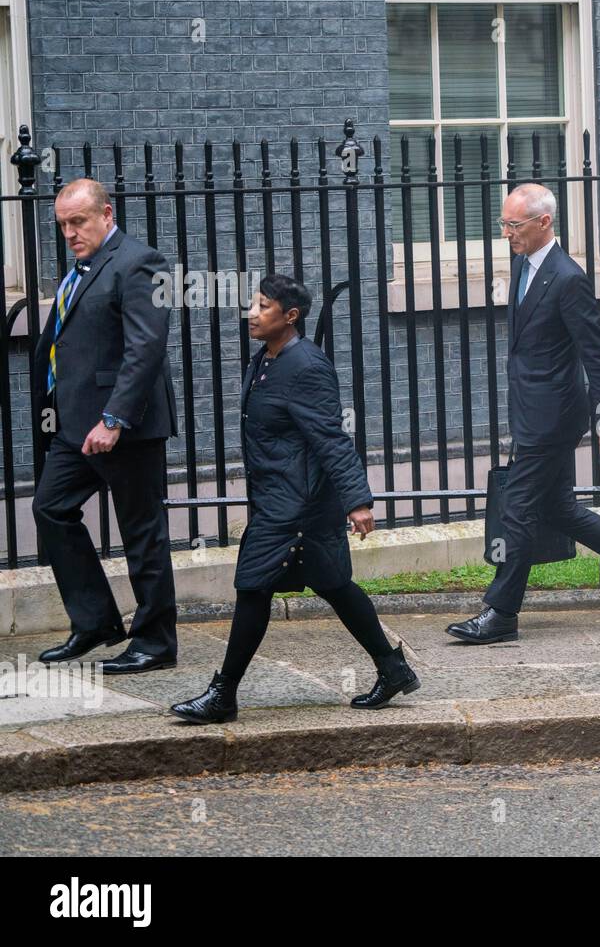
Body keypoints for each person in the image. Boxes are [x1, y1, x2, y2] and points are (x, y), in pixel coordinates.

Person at [170, 275, 418, 723]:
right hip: (281, 498)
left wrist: (357, 500)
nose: (251, 312)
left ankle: (223, 694)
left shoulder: (306, 365)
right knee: (335, 586)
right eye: (253, 304)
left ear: (290, 316)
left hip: (297, 506)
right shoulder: (265, 359)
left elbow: (331, 438)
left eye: (263, 306)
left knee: (252, 586)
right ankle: (393, 666)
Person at [445, 184, 600, 645]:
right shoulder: (524, 264)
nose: (507, 233)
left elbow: (598, 355)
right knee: (559, 508)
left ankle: (501, 614)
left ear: (544, 222)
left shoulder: (567, 277)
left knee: (520, 510)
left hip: (551, 420)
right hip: (533, 411)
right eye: (504, 224)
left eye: (515, 225)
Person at [32, 178, 180, 673]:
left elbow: (145, 349)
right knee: (50, 508)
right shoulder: (81, 269)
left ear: (107, 215)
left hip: (126, 427)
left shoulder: (140, 262)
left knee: (143, 532)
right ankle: (95, 621)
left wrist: (114, 419)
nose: (70, 233)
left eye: (79, 221)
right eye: (64, 225)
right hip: (78, 428)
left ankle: (156, 643)